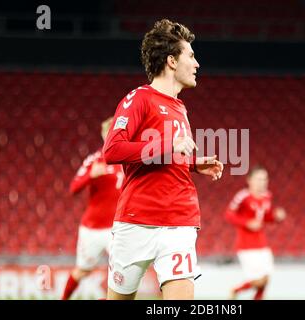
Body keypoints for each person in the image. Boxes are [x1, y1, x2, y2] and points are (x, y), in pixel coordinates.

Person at [102, 19, 224, 300]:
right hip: (136, 222)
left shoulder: (180, 107)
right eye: (191, 56)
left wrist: (193, 163)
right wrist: (169, 145)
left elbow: (165, 156)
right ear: (171, 60)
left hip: (180, 221)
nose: (197, 64)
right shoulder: (139, 99)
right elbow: (113, 150)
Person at [61, 117, 124, 300]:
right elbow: (73, 188)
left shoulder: (129, 161)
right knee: (82, 270)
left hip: (118, 229)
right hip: (93, 228)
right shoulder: (95, 160)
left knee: (123, 273)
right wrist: (90, 175)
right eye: (110, 133)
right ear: (104, 136)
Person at [225, 165, 286, 300]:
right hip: (246, 245)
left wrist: (276, 217)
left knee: (266, 279)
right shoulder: (243, 196)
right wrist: (247, 223)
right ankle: (235, 290)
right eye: (258, 179)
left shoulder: (267, 196)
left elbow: (267, 217)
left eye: (264, 179)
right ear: (249, 180)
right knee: (258, 280)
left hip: (262, 244)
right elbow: (229, 214)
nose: (262, 182)